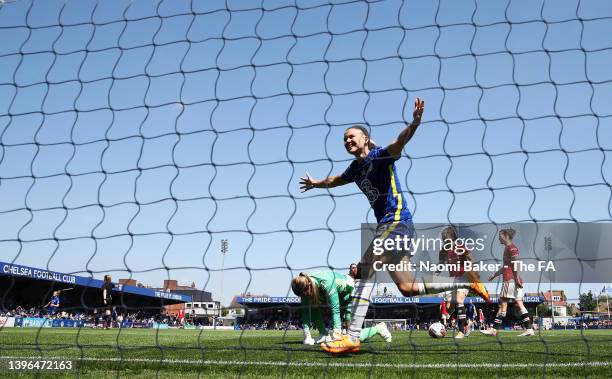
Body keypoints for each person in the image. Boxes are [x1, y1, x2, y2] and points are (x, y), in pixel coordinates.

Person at [300, 98, 490, 354]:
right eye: (344, 139)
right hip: (389, 226)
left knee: (367, 265)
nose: (347, 141)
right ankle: (466, 284)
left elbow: (399, 143)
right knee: (407, 288)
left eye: (351, 136)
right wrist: (316, 184)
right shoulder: (355, 169)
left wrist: (415, 123)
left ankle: (352, 336)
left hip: (397, 220)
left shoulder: (380, 156)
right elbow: (335, 180)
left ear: (366, 139)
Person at [291, 270, 392, 345]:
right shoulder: (304, 285)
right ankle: (324, 335)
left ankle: (378, 328)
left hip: (352, 293)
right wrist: (306, 335)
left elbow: (335, 309)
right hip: (339, 295)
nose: (304, 298)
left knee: (352, 337)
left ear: (309, 287)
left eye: (305, 295)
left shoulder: (326, 282)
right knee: (313, 308)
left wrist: (337, 333)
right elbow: (305, 311)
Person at [481, 228, 534, 337]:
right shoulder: (508, 248)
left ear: (505, 236)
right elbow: (506, 266)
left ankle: (494, 329)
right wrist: (495, 274)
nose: (498, 238)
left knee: (502, 304)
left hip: (510, 280)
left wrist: (516, 278)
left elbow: (516, 263)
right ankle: (529, 329)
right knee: (519, 304)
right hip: (513, 279)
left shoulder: (511, 248)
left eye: (500, 236)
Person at [436, 226, 481, 338]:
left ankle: (461, 331)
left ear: (454, 238)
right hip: (453, 281)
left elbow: (471, 258)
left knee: (460, 300)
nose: (446, 242)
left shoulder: (460, 246)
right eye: (444, 240)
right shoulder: (443, 251)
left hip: (464, 277)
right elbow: (441, 264)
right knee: (449, 307)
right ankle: (466, 323)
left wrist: (474, 272)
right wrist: (434, 274)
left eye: (448, 240)